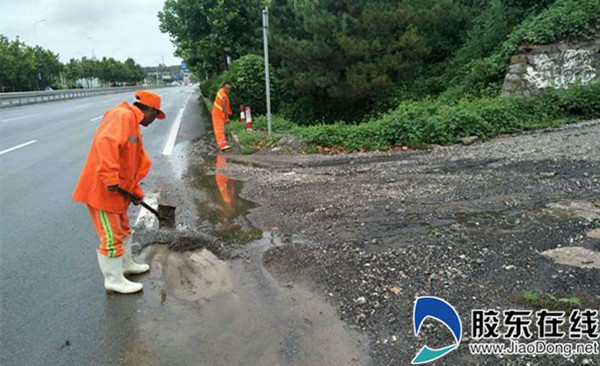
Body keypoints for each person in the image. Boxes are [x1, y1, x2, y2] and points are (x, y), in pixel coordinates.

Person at [73, 90, 166, 294]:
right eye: (155, 115)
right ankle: (114, 280)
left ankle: (125, 265)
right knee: (111, 236)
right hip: (103, 191)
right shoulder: (122, 116)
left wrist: (135, 192)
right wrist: (110, 178)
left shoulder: (132, 123)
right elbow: (105, 145)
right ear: (149, 109)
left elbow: (131, 165)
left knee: (124, 229)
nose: (154, 120)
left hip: (118, 192)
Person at [211, 81, 233, 151]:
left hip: (218, 113)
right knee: (219, 129)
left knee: (220, 128)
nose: (228, 90)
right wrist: (227, 118)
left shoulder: (221, 92)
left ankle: (222, 143)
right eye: (227, 88)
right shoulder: (223, 95)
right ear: (223, 87)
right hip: (218, 114)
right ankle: (222, 145)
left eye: (229, 89)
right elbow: (224, 108)